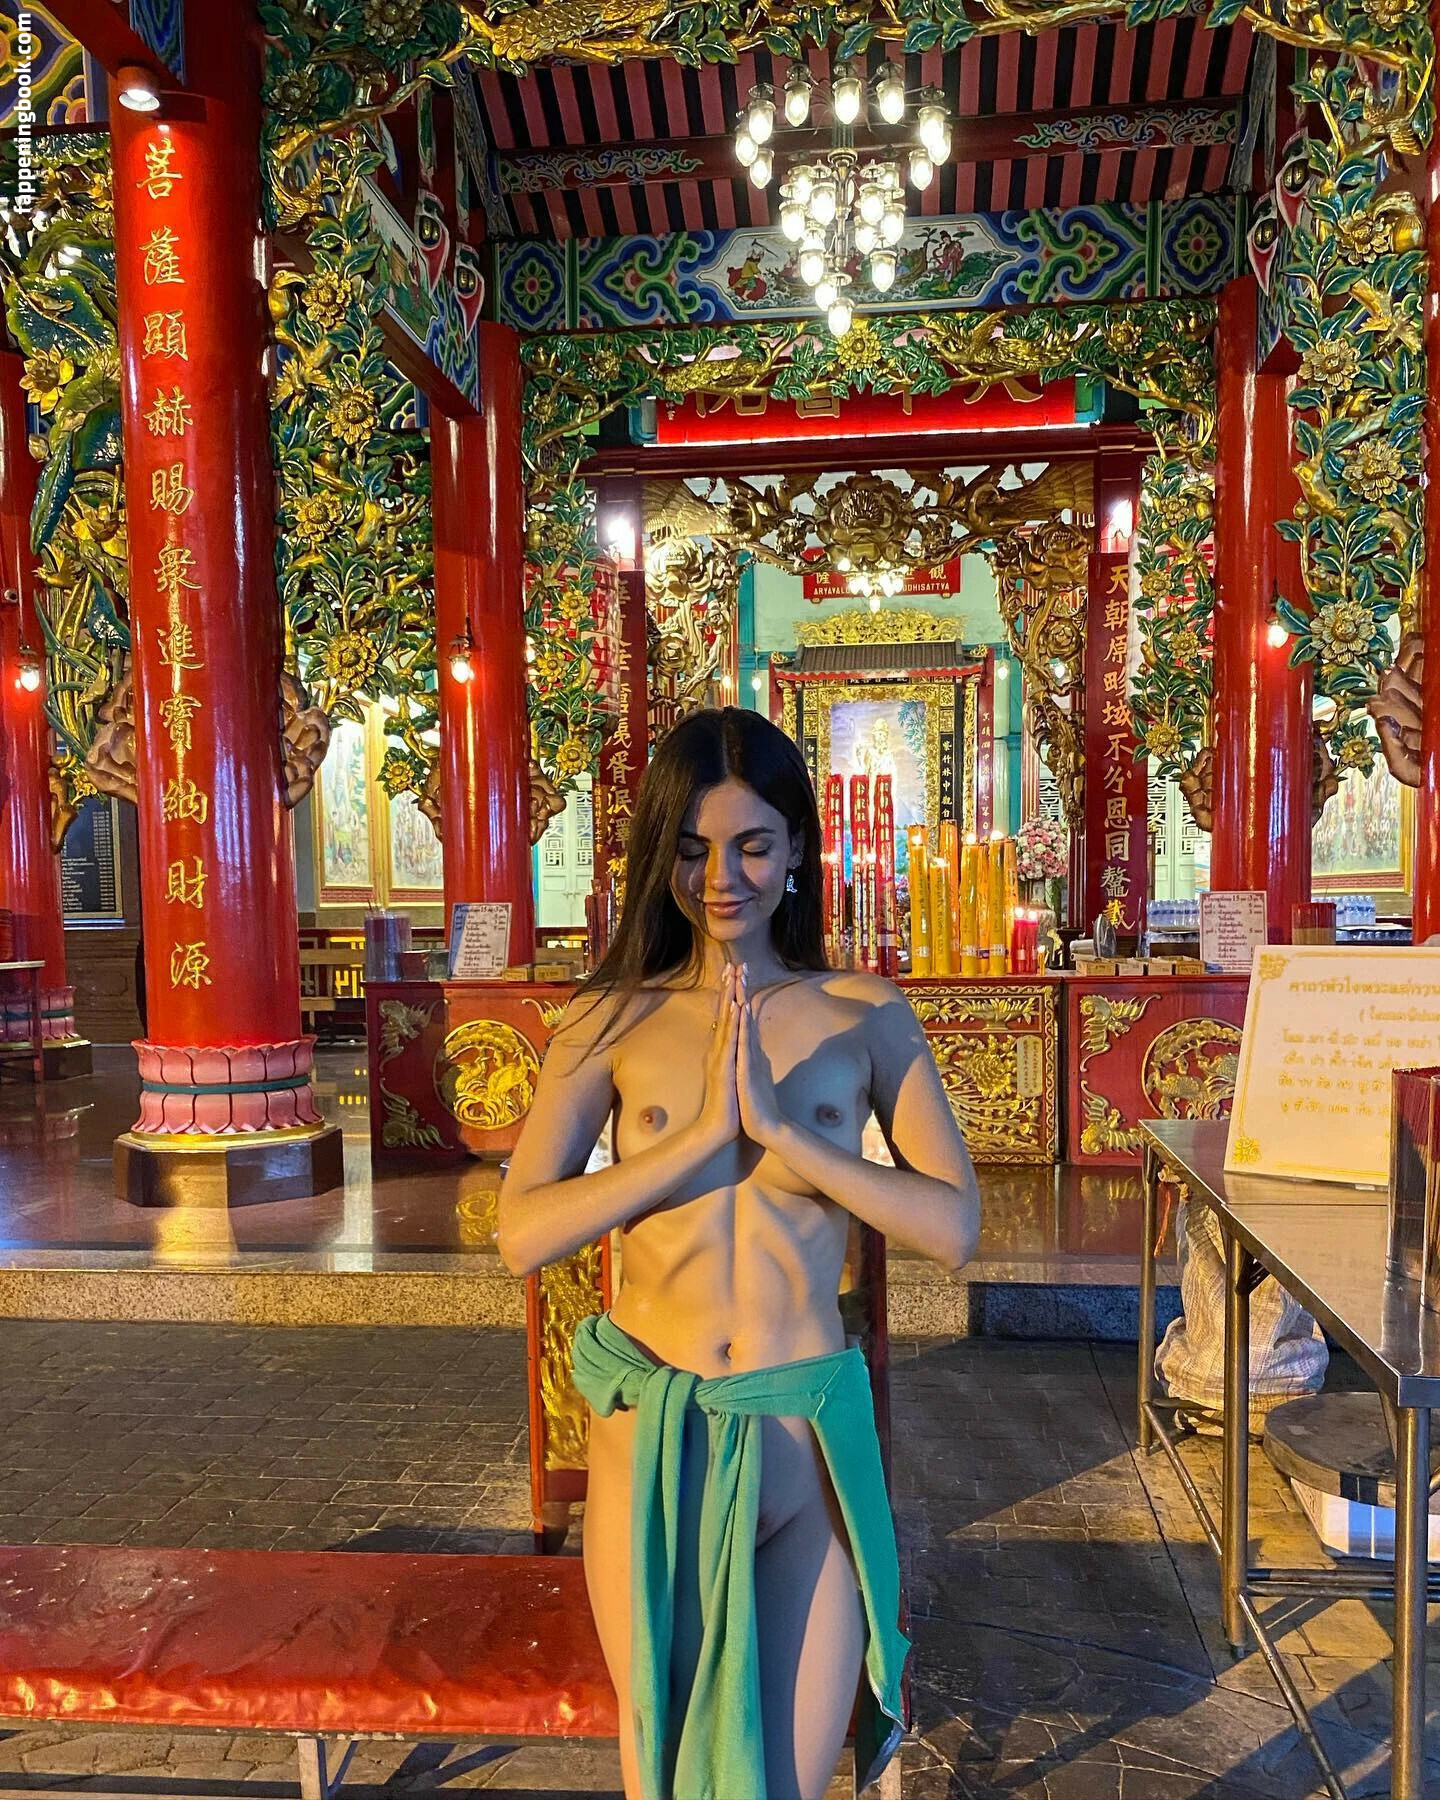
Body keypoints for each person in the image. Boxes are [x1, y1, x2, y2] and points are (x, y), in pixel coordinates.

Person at [498, 707, 979, 1800]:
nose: (722, 878)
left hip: (803, 1444)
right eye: (693, 848)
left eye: (753, 844)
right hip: (654, 1450)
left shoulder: (863, 1014)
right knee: (666, 1776)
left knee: (792, 1785)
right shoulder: (606, 1021)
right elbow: (522, 1233)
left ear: (798, 844)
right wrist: (699, 1139)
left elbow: (953, 1229)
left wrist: (787, 1136)